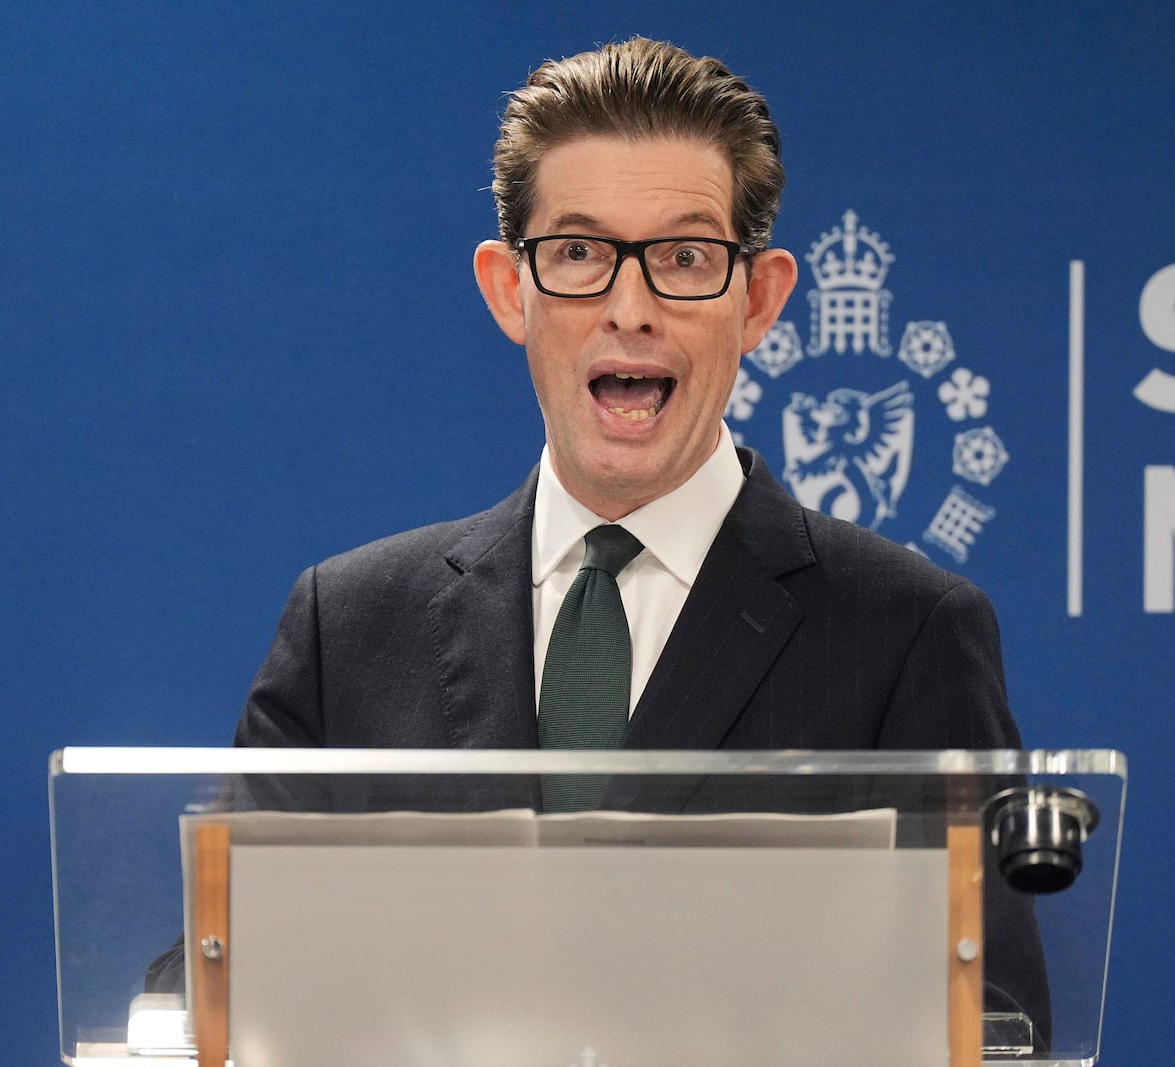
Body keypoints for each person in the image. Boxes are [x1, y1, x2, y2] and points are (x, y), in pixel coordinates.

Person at [198, 37, 1047, 1034]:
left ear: (760, 299)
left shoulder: (905, 632)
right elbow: (206, 985)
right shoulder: (349, 625)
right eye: (579, 254)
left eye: (684, 257)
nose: (630, 309)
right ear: (510, 288)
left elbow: (991, 1024)